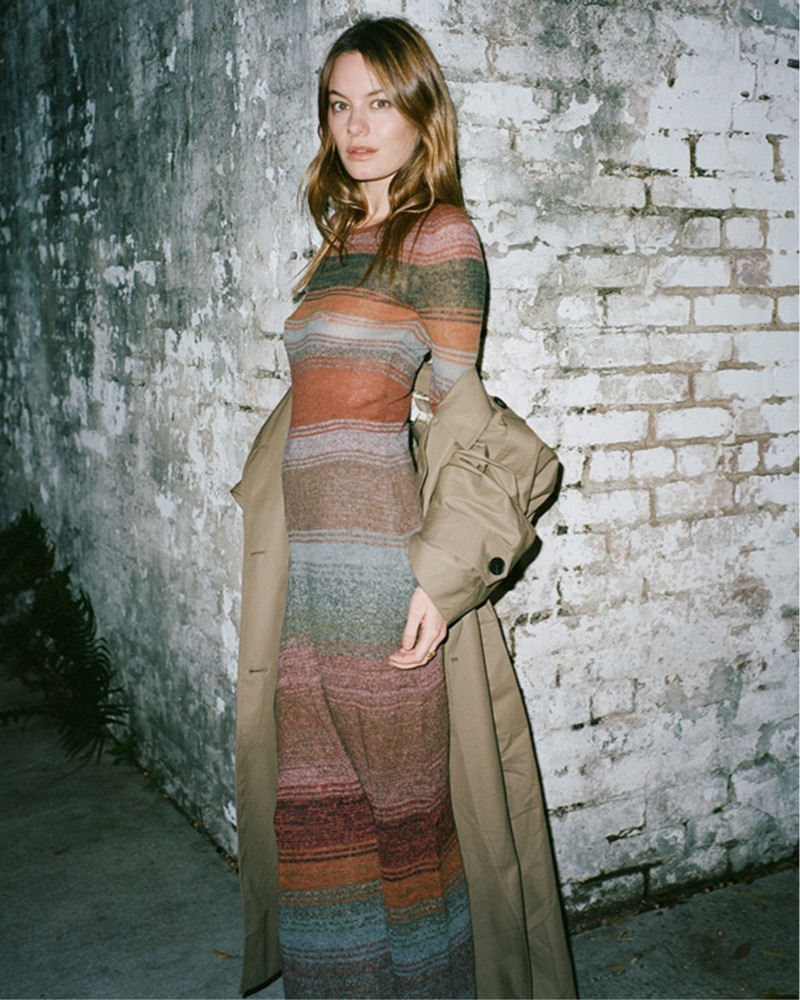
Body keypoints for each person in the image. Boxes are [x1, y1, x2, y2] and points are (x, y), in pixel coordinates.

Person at [232, 16, 576, 1000]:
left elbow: (462, 419)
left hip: (384, 581)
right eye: (339, 105)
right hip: (307, 584)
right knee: (320, 831)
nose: (355, 125)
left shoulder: (441, 236)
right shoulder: (339, 243)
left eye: (379, 102)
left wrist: (436, 579)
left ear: (421, 113)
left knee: (406, 836)